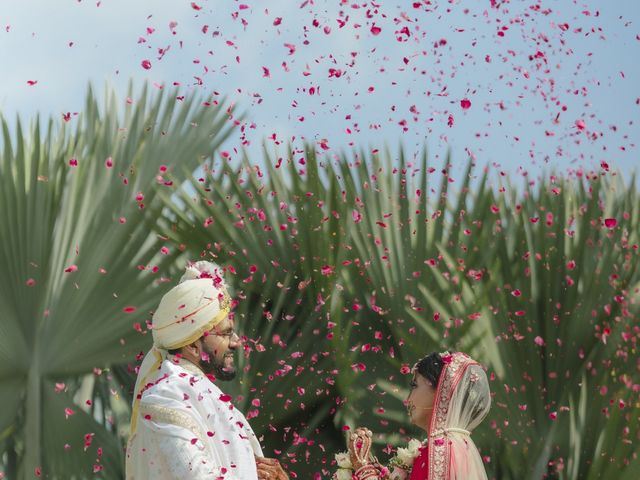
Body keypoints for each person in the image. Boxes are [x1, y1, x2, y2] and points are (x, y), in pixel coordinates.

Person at [126, 261, 288, 480]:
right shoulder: (167, 396)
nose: (237, 342)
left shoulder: (196, 391)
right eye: (226, 333)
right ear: (192, 344)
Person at [342, 351, 491, 480]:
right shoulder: (458, 445)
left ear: (440, 390)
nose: (408, 399)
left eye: (414, 385)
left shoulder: (440, 448)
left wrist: (365, 472)